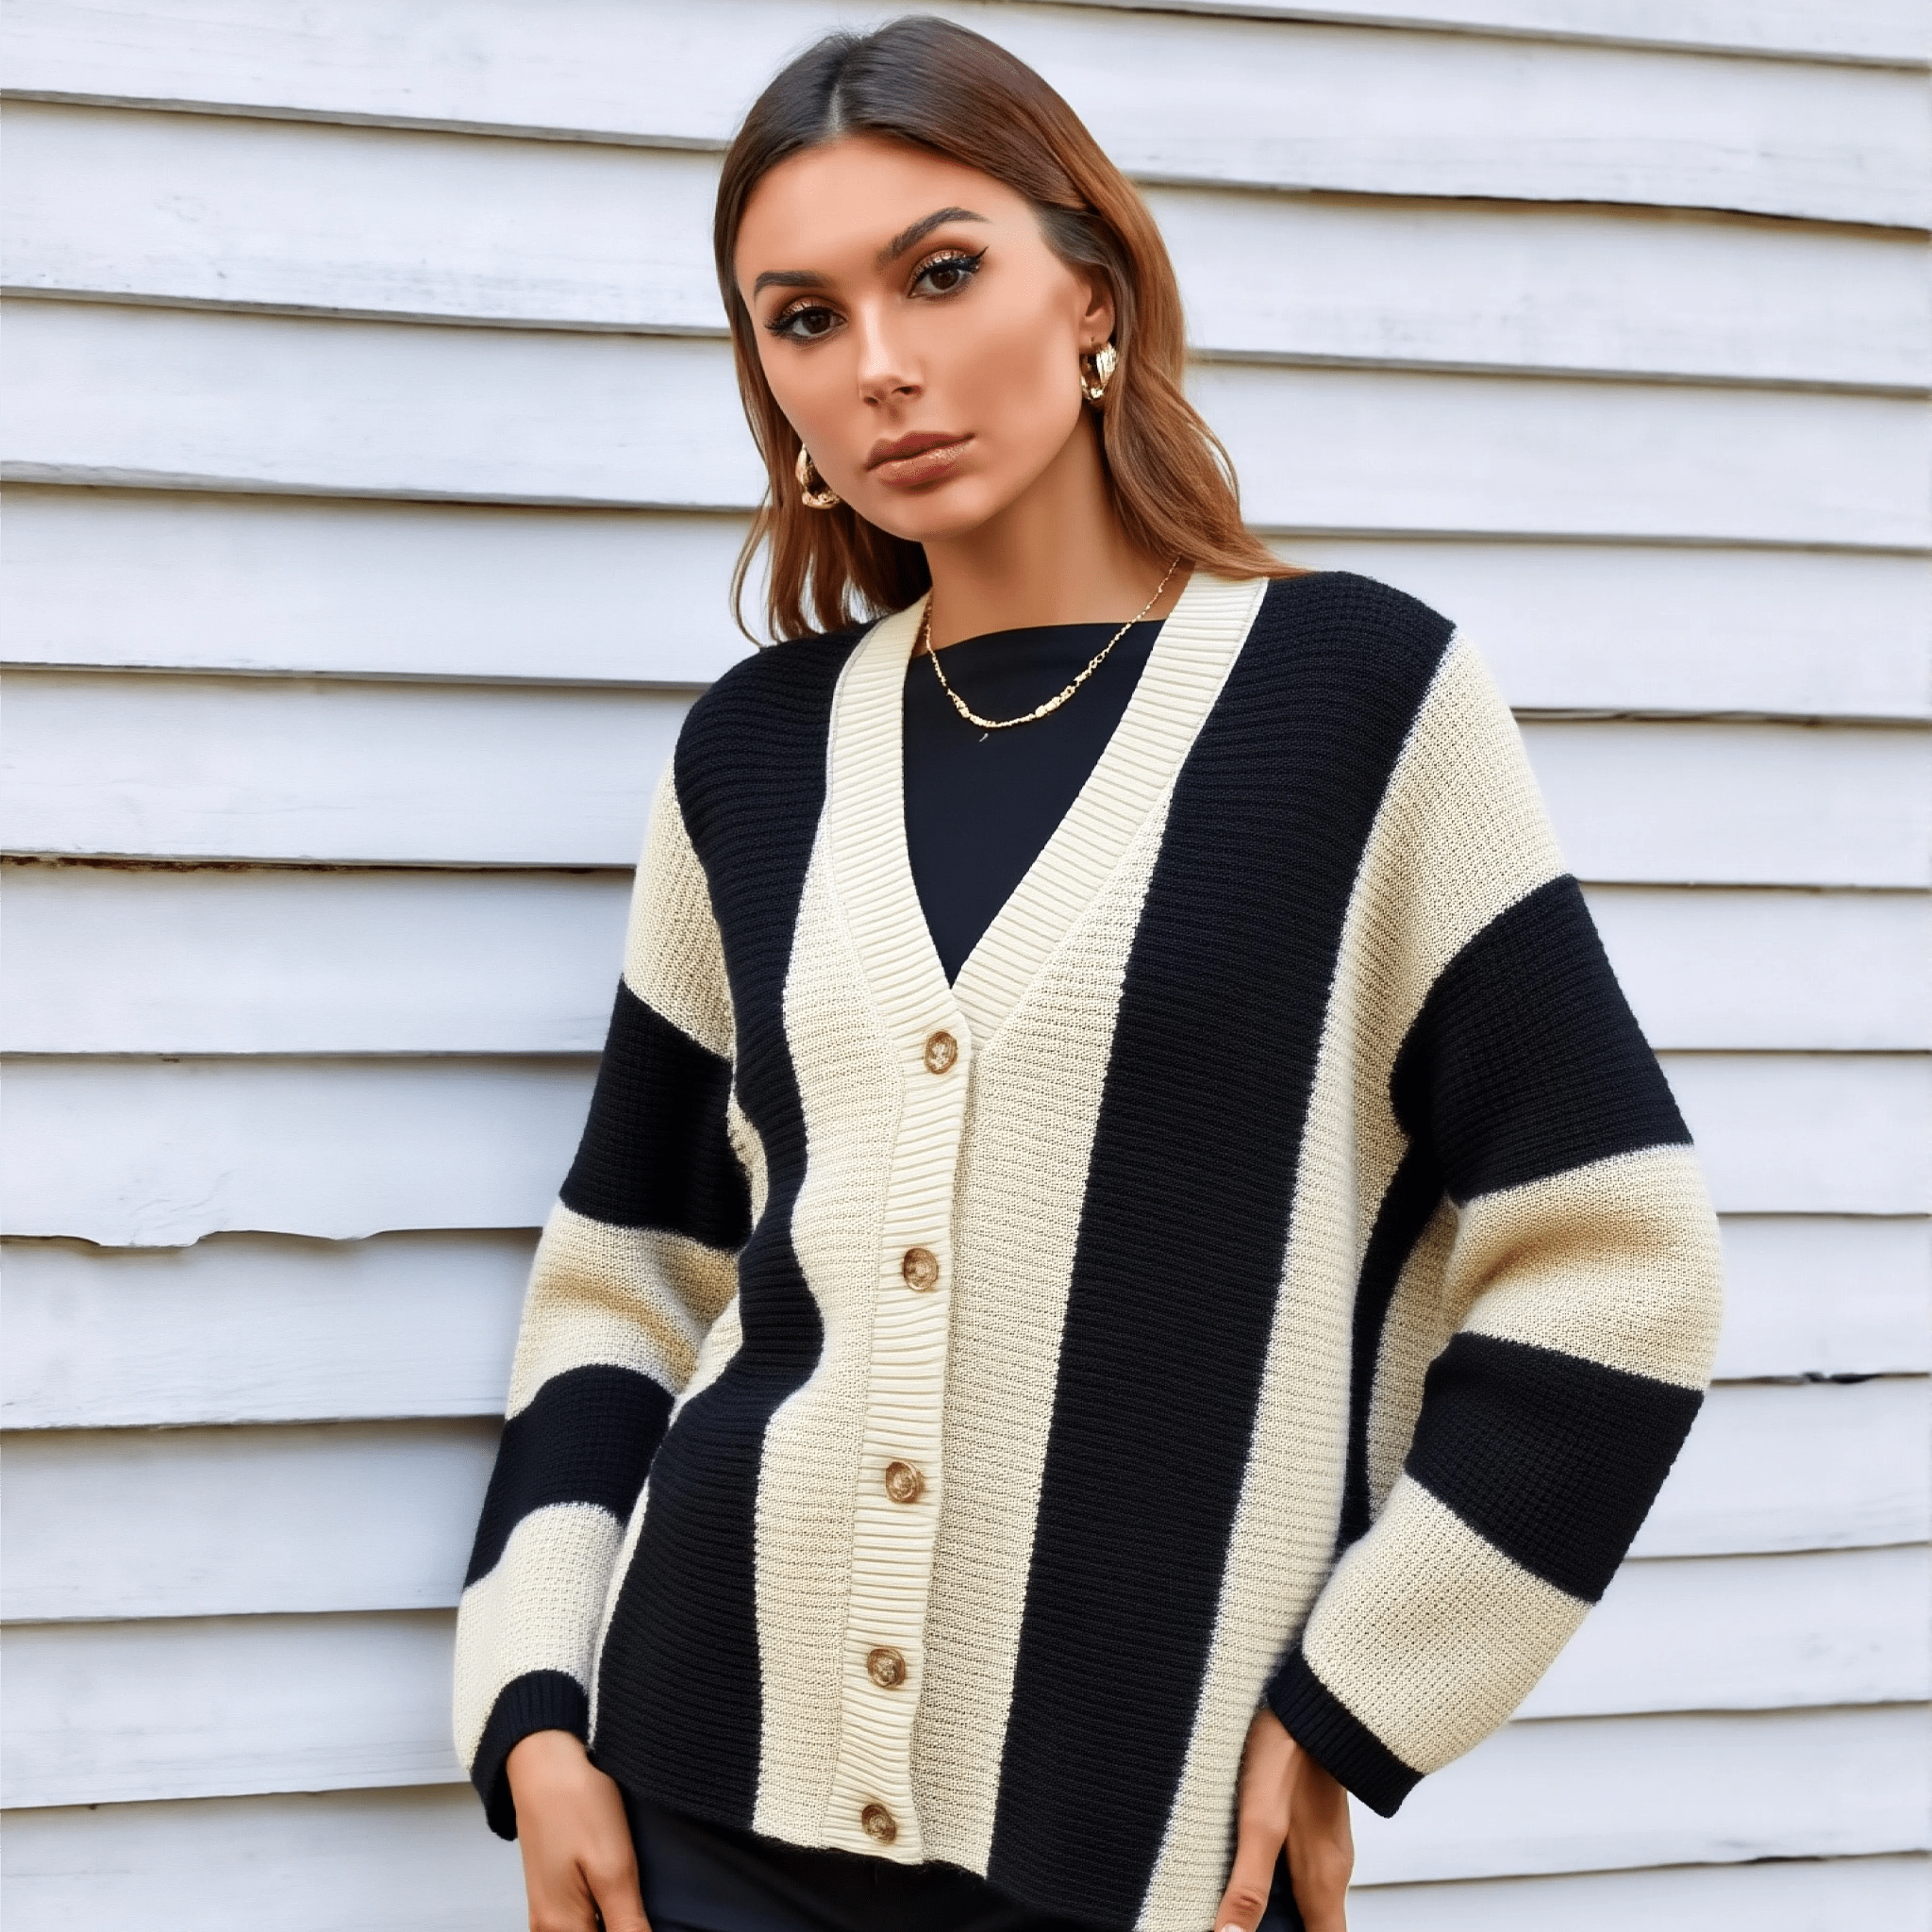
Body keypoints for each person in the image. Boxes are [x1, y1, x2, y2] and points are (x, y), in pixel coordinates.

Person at [452, 19, 1723, 1932]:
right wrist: (539, 1704)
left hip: (1151, 1841)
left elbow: (1621, 1261)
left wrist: (1360, 1697)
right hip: (697, 1798)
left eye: (940, 272)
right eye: (803, 319)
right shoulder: (752, 761)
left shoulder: (1356, 709)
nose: (878, 365)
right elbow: (632, 1268)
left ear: (1094, 292)